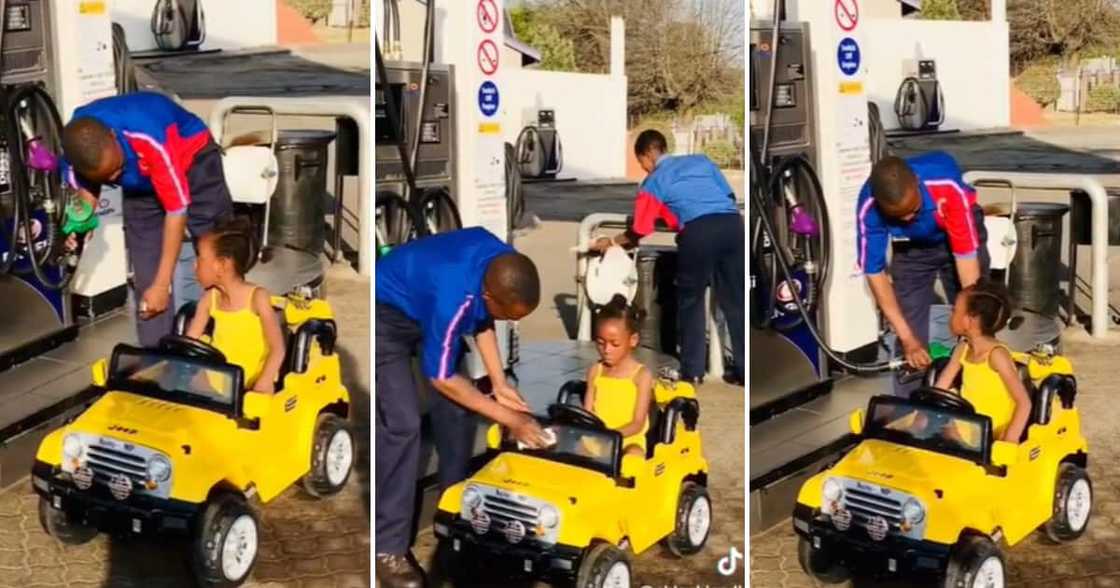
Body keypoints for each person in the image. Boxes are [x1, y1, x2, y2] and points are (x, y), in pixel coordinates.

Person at [374, 226, 551, 588]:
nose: (510, 323)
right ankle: (387, 548)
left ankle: (455, 516)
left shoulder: (501, 263)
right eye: (508, 315)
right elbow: (440, 377)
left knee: (456, 413)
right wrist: (510, 418)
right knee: (403, 424)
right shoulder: (453, 294)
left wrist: (499, 384)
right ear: (488, 294)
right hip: (387, 314)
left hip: (433, 309)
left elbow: (484, 319)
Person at [59, 91, 234, 348]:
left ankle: (228, 339)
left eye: (118, 169)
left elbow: (176, 210)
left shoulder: (148, 134)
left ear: (113, 135)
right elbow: (87, 187)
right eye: (110, 178)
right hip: (141, 185)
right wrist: (82, 219)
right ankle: (156, 360)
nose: (116, 177)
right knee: (147, 278)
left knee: (217, 255)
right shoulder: (78, 143)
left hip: (194, 162)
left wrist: (164, 285)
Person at [589, 129, 744, 385]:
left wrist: (613, 242)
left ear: (648, 153)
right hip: (732, 225)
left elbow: (640, 228)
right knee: (736, 302)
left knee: (691, 301)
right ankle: (743, 370)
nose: (643, 168)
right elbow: (727, 196)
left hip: (698, 233)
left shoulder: (655, 181)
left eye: (641, 162)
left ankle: (693, 372)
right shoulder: (702, 161)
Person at [855, 152, 990, 396]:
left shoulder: (945, 184)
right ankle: (911, 408)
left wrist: (971, 319)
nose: (908, 218)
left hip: (956, 240)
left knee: (978, 322)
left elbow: (967, 262)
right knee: (909, 336)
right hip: (911, 248)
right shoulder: (869, 206)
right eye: (898, 216)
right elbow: (875, 274)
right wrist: (908, 338)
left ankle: (980, 394)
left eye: (913, 210)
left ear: (917, 183)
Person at [185, 218, 286, 393]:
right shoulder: (210, 298)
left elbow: (278, 348)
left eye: (200, 258)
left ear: (222, 265)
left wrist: (264, 381)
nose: (194, 265)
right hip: (218, 379)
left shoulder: (257, 298)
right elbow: (190, 340)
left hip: (252, 381)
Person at [933, 279, 1031, 442]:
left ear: (969, 320)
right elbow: (940, 389)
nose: (950, 316)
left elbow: (1024, 403)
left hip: (990, 432)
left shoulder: (997, 356)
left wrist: (1009, 442)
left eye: (955, 311)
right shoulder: (962, 349)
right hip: (967, 424)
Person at [583, 294, 653, 458]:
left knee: (632, 457)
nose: (606, 349)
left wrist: (611, 437)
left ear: (633, 340)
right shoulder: (596, 370)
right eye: (600, 342)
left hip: (628, 440)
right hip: (598, 439)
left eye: (615, 344)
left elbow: (638, 423)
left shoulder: (641, 375)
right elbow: (588, 413)